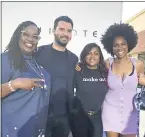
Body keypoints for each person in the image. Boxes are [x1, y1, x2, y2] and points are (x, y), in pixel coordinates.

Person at [1, 21, 51, 137]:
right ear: (18, 35)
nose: (30, 39)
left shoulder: (36, 63)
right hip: (13, 131)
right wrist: (14, 84)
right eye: (26, 34)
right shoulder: (6, 60)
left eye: (35, 37)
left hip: (36, 131)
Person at [35, 16, 78, 137]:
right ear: (54, 31)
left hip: (63, 118)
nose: (65, 34)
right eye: (62, 29)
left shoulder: (74, 59)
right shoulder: (39, 53)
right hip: (40, 115)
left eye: (69, 31)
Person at [100, 23, 145, 137]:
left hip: (130, 113)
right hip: (110, 111)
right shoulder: (107, 63)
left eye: (123, 44)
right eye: (116, 45)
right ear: (111, 47)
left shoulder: (138, 64)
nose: (119, 48)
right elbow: (90, 66)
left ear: (128, 44)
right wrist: (79, 66)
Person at [72, 43, 108, 137]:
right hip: (80, 118)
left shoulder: (105, 73)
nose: (92, 56)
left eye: (96, 53)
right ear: (84, 55)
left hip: (98, 118)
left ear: (100, 56)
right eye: (89, 53)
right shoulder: (78, 70)